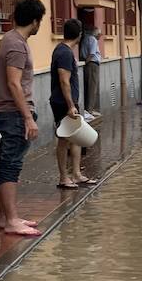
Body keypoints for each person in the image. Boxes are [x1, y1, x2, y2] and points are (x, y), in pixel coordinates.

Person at [0, 0, 46, 237]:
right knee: (11, 164)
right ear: (35, 21)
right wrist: (27, 117)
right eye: (40, 21)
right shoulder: (16, 44)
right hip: (14, 113)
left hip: (11, 112)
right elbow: (14, 83)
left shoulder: (12, 40)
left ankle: (6, 217)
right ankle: (12, 219)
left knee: (6, 163)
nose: (39, 26)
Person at [50, 18, 93, 189]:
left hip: (69, 102)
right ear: (80, 35)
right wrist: (70, 105)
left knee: (75, 138)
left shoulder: (63, 50)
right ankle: (63, 178)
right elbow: (64, 80)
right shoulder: (65, 53)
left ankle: (76, 174)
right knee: (63, 139)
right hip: (63, 103)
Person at [78, 16, 101, 117]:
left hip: (87, 63)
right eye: (99, 34)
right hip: (92, 64)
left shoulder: (85, 38)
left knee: (87, 87)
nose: (100, 36)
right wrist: (87, 63)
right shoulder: (93, 40)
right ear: (95, 33)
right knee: (92, 87)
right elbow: (91, 54)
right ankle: (90, 110)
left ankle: (88, 109)